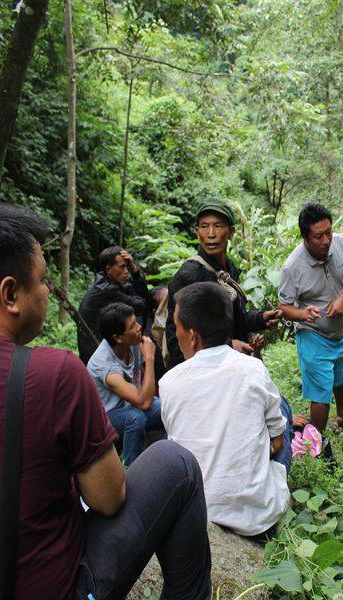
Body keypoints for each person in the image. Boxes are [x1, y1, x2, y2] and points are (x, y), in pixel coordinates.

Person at [0, 204, 211, 600]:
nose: (48, 292)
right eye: (43, 281)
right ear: (10, 294)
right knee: (175, 461)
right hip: (57, 588)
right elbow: (109, 499)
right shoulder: (55, 373)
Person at [160, 282, 291, 538]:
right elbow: (276, 443)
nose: (175, 334)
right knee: (282, 409)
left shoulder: (168, 384)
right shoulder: (253, 369)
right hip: (258, 519)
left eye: (176, 327)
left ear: (193, 336)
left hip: (201, 509)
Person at [278, 202, 343, 431]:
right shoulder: (292, 267)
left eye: (328, 232)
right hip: (313, 333)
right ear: (305, 238)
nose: (326, 240)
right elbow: (283, 307)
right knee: (321, 390)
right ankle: (318, 439)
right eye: (319, 236)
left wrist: (342, 299)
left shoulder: (339, 243)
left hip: (340, 328)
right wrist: (302, 314)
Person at [164, 199, 281, 369]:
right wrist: (227, 346)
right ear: (197, 233)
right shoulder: (189, 276)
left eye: (218, 226)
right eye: (204, 226)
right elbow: (178, 339)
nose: (211, 233)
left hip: (231, 368)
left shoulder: (228, 271)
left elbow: (230, 320)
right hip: (204, 375)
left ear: (231, 232)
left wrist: (259, 319)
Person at [87, 302, 165, 467]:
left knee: (166, 407)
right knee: (134, 418)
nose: (139, 328)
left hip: (133, 405)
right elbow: (144, 401)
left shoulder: (132, 343)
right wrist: (150, 359)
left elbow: (145, 386)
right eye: (132, 326)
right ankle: (132, 469)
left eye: (136, 322)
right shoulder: (103, 363)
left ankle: (162, 455)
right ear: (117, 337)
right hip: (107, 418)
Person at [77, 245, 152, 365]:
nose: (126, 271)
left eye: (128, 267)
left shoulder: (108, 282)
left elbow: (143, 300)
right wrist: (136, 275)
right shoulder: (106, 289)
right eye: (122, 267)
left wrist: (135, 271)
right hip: (95, 352)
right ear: (108, 269)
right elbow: (142, 305)